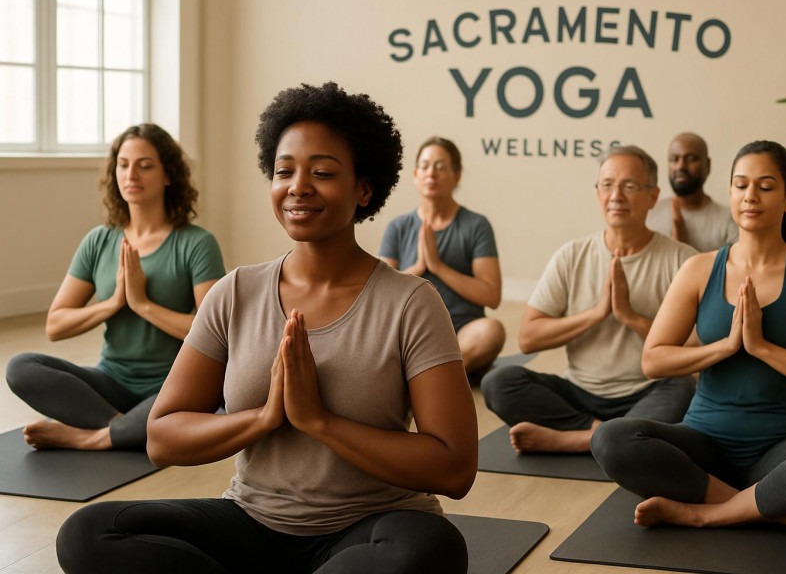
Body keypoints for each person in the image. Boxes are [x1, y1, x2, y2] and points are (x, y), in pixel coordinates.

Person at [57, 82, 478, 573]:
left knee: (433, 549)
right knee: (90, 533)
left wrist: (319, 421)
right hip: (252, 523)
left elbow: (454, 467)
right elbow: (162, 437)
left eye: (322, 172)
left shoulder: (411, 302)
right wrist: (262, 418)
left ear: (364, 189)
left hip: (372, 527)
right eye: (284, 171)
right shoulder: (236, 293)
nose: (298, 186)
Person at [593, 140, 786, 535]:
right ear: (730, 193)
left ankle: (703, 513)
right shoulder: (699, 269)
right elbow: (653, 360)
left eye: (765, 186)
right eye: (741, 185)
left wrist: (762, 348)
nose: (751, 196)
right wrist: (725, 347)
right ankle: (764, 505)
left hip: (783, 451)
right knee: (611, 437)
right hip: (704, 447)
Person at [5, 123, 225, 451]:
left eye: (145, 165)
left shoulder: (196, 243)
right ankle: (124, 429)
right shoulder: (99, 240)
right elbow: (55, 325)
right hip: (111, 382)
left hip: (170, 385)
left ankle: (93, 437)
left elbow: (215, 335)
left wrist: (143, 304)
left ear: (168, 175)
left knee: (212, 392)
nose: (131, 175)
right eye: (123, 165)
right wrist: (112, 303)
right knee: (20, 367)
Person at [480, 145, 696, 454]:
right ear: (597, 193)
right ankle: (605, 436)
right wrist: (596, 314)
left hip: (650, 390)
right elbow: (528, 338)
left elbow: (698, 345)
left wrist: (630, 317)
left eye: (630, 186)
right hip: (580, 393)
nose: (616, 196)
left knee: (684, 386)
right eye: (607, 185)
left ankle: (576, 439)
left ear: (652, 196)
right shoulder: (572, 255)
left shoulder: (682, 260)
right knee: (499, 382)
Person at [379, 136, 505, 380]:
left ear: (456, 175)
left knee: (491, 331)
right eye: (425, 166)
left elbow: (492, 295)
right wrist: (417, 267)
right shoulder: (398, 227)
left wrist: (438, 266)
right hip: (409, 331)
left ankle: (426, 380)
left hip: (462, 333)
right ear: (415, 175)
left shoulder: (476, 225)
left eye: (440, 166)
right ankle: (436, 377)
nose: (431, 173)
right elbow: (378, 294)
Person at [646, 132, 738, 252]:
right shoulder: (648, 214)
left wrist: (683, 247)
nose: (681, 166)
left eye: (691, 159)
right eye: (674, 159)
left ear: (707, 165)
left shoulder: (729, 219)